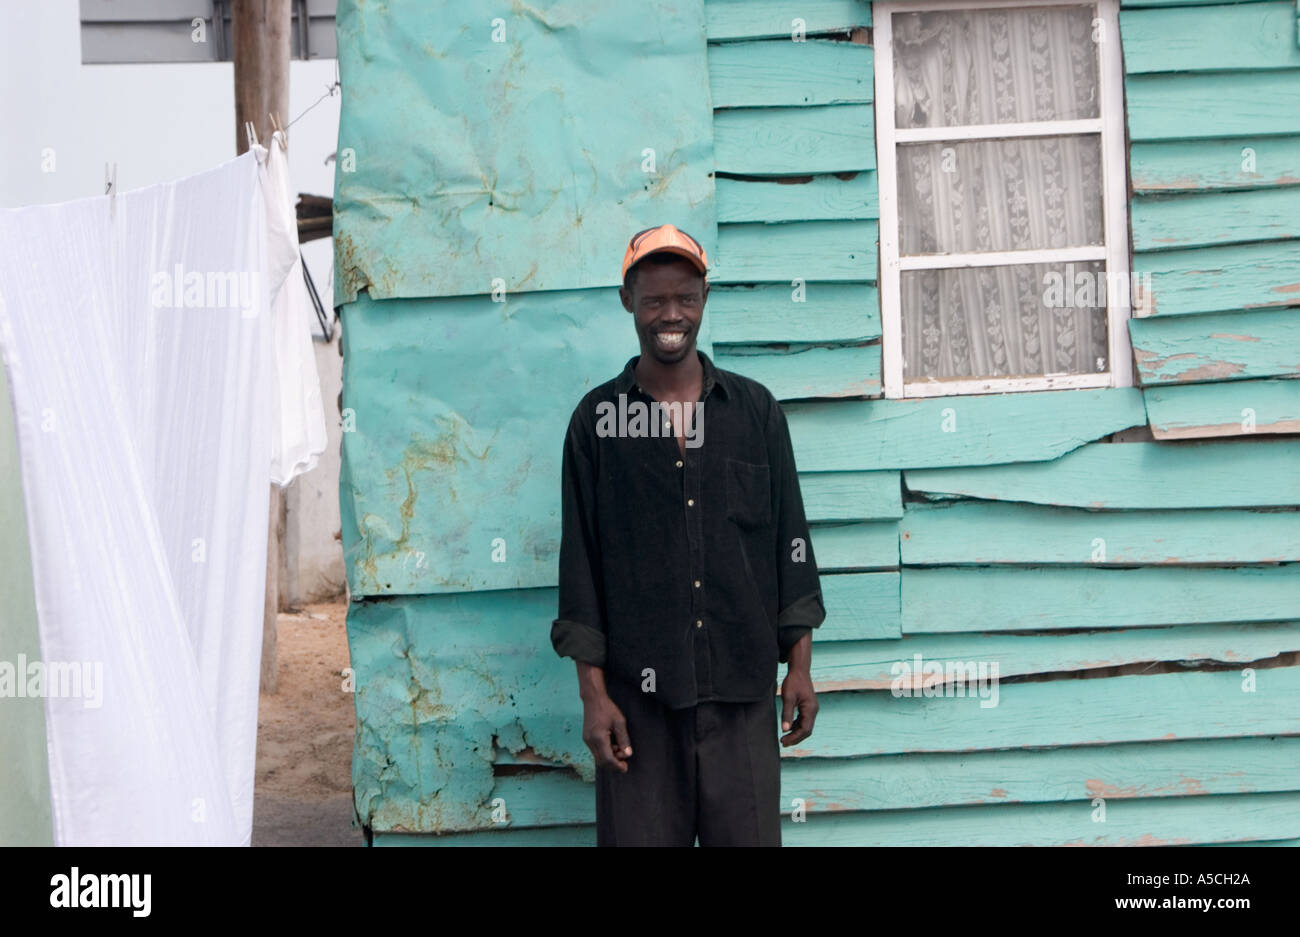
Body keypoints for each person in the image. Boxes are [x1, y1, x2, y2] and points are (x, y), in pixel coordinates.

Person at [551, 224, 825, 846]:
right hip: (637, 713)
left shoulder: (755, 413)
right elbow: (581, 569)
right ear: (628, 301)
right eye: (653, 300)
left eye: (685, 298)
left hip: (742, 702)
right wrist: (594, 698)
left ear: (704, 298)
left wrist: (800, 667)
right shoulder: (598, 424)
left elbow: (790, 544)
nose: (670, 315)